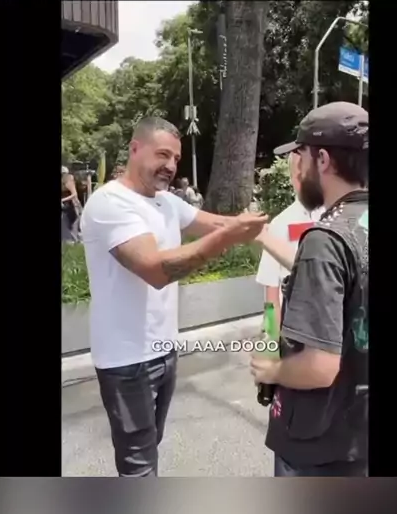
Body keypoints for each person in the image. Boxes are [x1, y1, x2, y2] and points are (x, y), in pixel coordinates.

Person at [80, 117, 267, 477]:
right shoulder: (110, 203)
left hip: (164, 350)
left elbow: (218, 223)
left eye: (176, 159)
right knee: (138, 464)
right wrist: (227, 238)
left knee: (150, 447)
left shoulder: (166, 202)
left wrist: (264, 226)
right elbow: (156, 270)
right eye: (162, 154)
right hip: (126, 360)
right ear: (135, 149)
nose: (170, 165)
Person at [250, 102, 369, 477]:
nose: (296, 168)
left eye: (299, 155)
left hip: (323, 442)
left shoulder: (325, 240)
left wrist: (272, 370)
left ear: (322, 159)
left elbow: (319, 367)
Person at [256, 152, 323, 326]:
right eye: (298, 176)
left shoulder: (336, 215)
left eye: (309, 175)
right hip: (295, 327)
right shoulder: (280, 224)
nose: (303, 182)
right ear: (292, 177)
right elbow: (271, 292)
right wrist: (271, 334)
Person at [61, 166, 81, 243]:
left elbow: (74, 194)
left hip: (72, 206)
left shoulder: (68, 180)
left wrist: (62, 200)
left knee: (72, 227)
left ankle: (73, 242)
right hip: (67, 206)